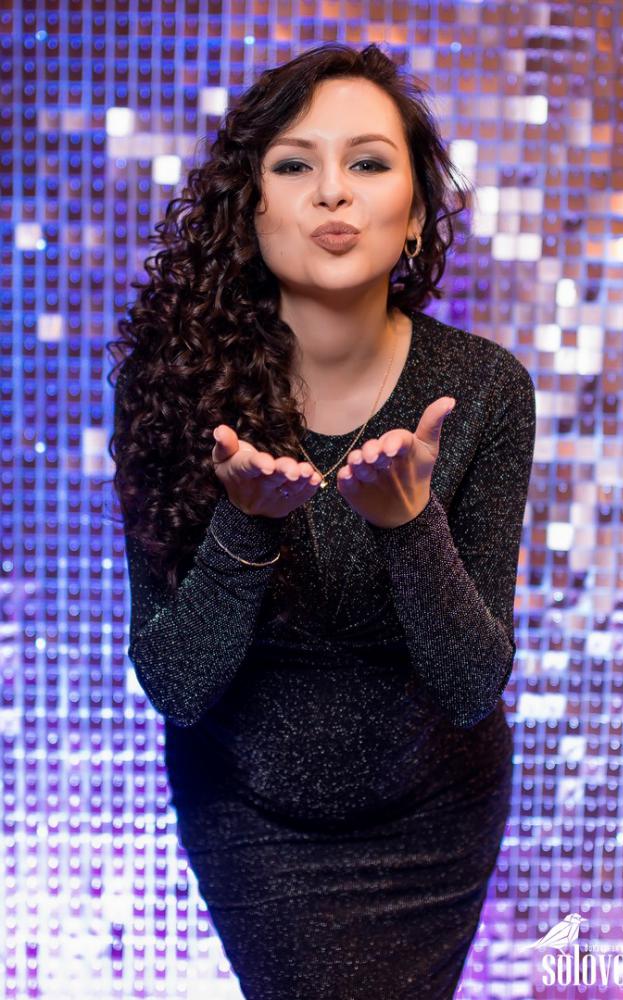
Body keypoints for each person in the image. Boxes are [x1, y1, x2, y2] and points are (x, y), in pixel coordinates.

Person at [109, 41, 536, 1000]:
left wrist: (409, 525)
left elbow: (473, 683)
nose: (333, 192)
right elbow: (176, 683)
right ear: (250, 205)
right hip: (252, 815)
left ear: (416, 213)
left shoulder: (485, 389)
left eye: (369, 163)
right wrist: (246, 525)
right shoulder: (170, 387)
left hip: (436, 810)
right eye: (295, 165)